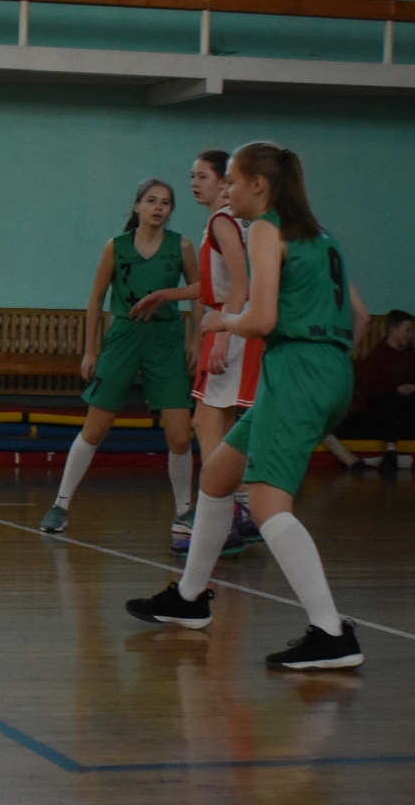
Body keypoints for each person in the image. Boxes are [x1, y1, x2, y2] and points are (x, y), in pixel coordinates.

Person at [126, 142, 370, 671]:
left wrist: (220, 323)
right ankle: (189, 598)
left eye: (233, 181)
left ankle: (331, 633)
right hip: (330, 369)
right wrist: (324, 363)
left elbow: (260, 320)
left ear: (259, 185)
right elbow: (362, 316)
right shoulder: (321, 234)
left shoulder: (264, 228)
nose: (227, 190)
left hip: (298, 370)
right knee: (217, 476)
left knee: (267, 506)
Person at [40, 179, 199, 535]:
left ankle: (183, 512)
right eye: (152, 200)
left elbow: (200, 293)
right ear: (138, 205)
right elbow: (96, 298)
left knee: (179, 436)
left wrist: (197, 340)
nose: (158, 207)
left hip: (166, 339)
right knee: (95, 429)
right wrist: (90, 350)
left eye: (166, 202)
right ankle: (60, 505)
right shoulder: (116, 246)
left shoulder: (182, 246)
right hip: (124, 335)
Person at [136, 151, 263, 555]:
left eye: (202, 176)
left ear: (225, 181)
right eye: (192, 176)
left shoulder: (222, 221)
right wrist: (166, 294)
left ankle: (221, 520)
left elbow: (240, 283)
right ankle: (241, 511)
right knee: (221, 427)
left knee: (207, 425)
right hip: (235, 323)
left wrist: (223, 334)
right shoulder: (229, 222)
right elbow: (216, 287)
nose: (194, 183)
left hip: (230, 327)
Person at [355, 309, 415, 469]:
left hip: (409, 400)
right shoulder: (376, 355)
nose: (410, 335)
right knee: (393, 399)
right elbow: (367, 390)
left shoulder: (412, 354)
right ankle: (390, 450)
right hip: (385, 399)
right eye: (407, 331)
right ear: (393, 330)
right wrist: (395, 389)